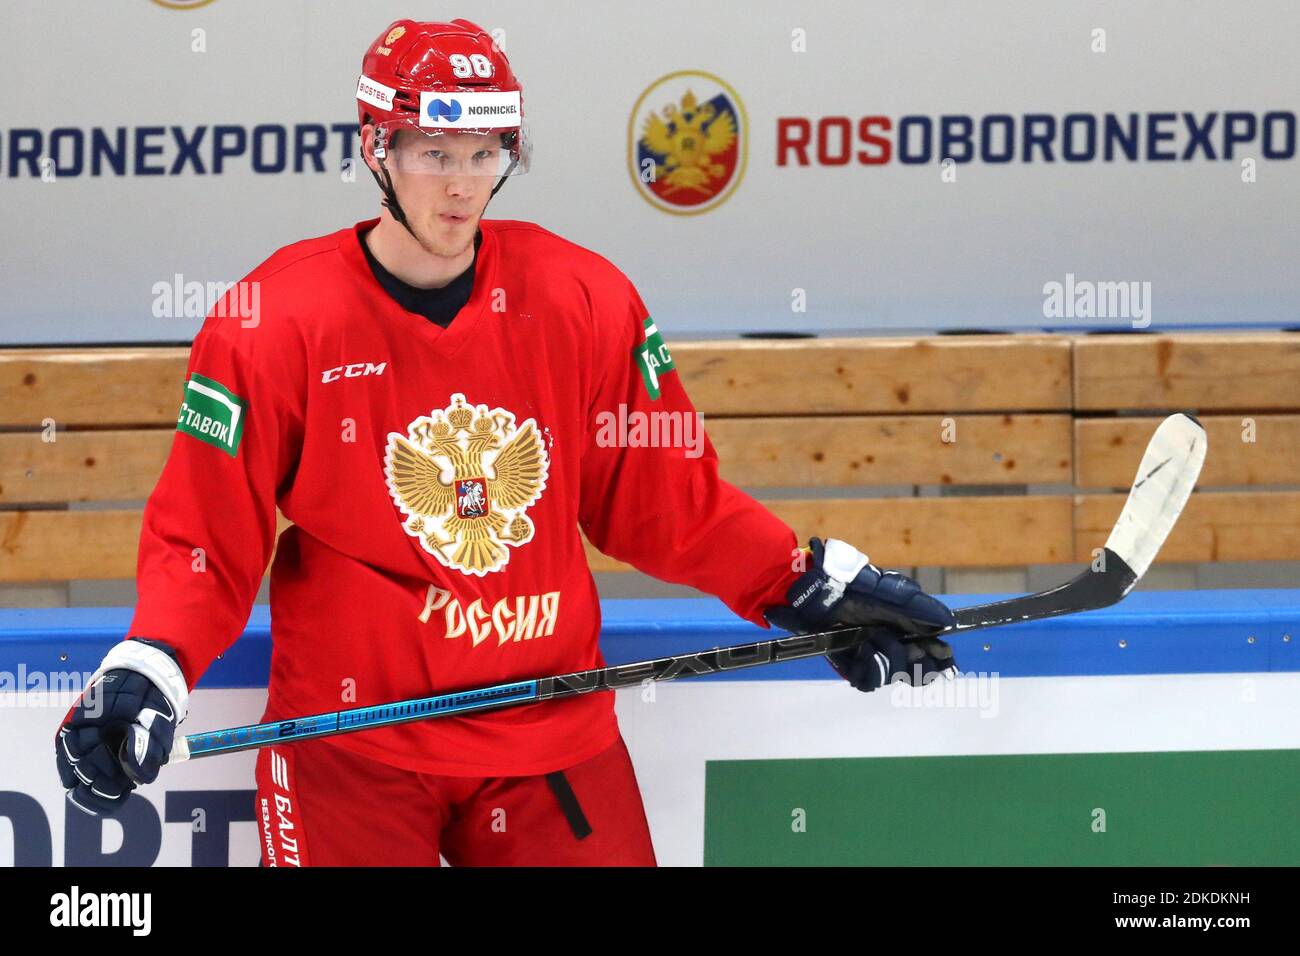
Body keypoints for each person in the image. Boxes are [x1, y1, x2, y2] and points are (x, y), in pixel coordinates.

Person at [54, 19, 957, 867]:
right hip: (348, 744)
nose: (462, 184)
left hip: (547, 728)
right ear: (377, 150)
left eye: (484, 156)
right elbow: (208, 532)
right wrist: (151, 659)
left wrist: (797, 582)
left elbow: (663, 498)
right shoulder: (276, 319)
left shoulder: (582, 296)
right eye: (434, 154)